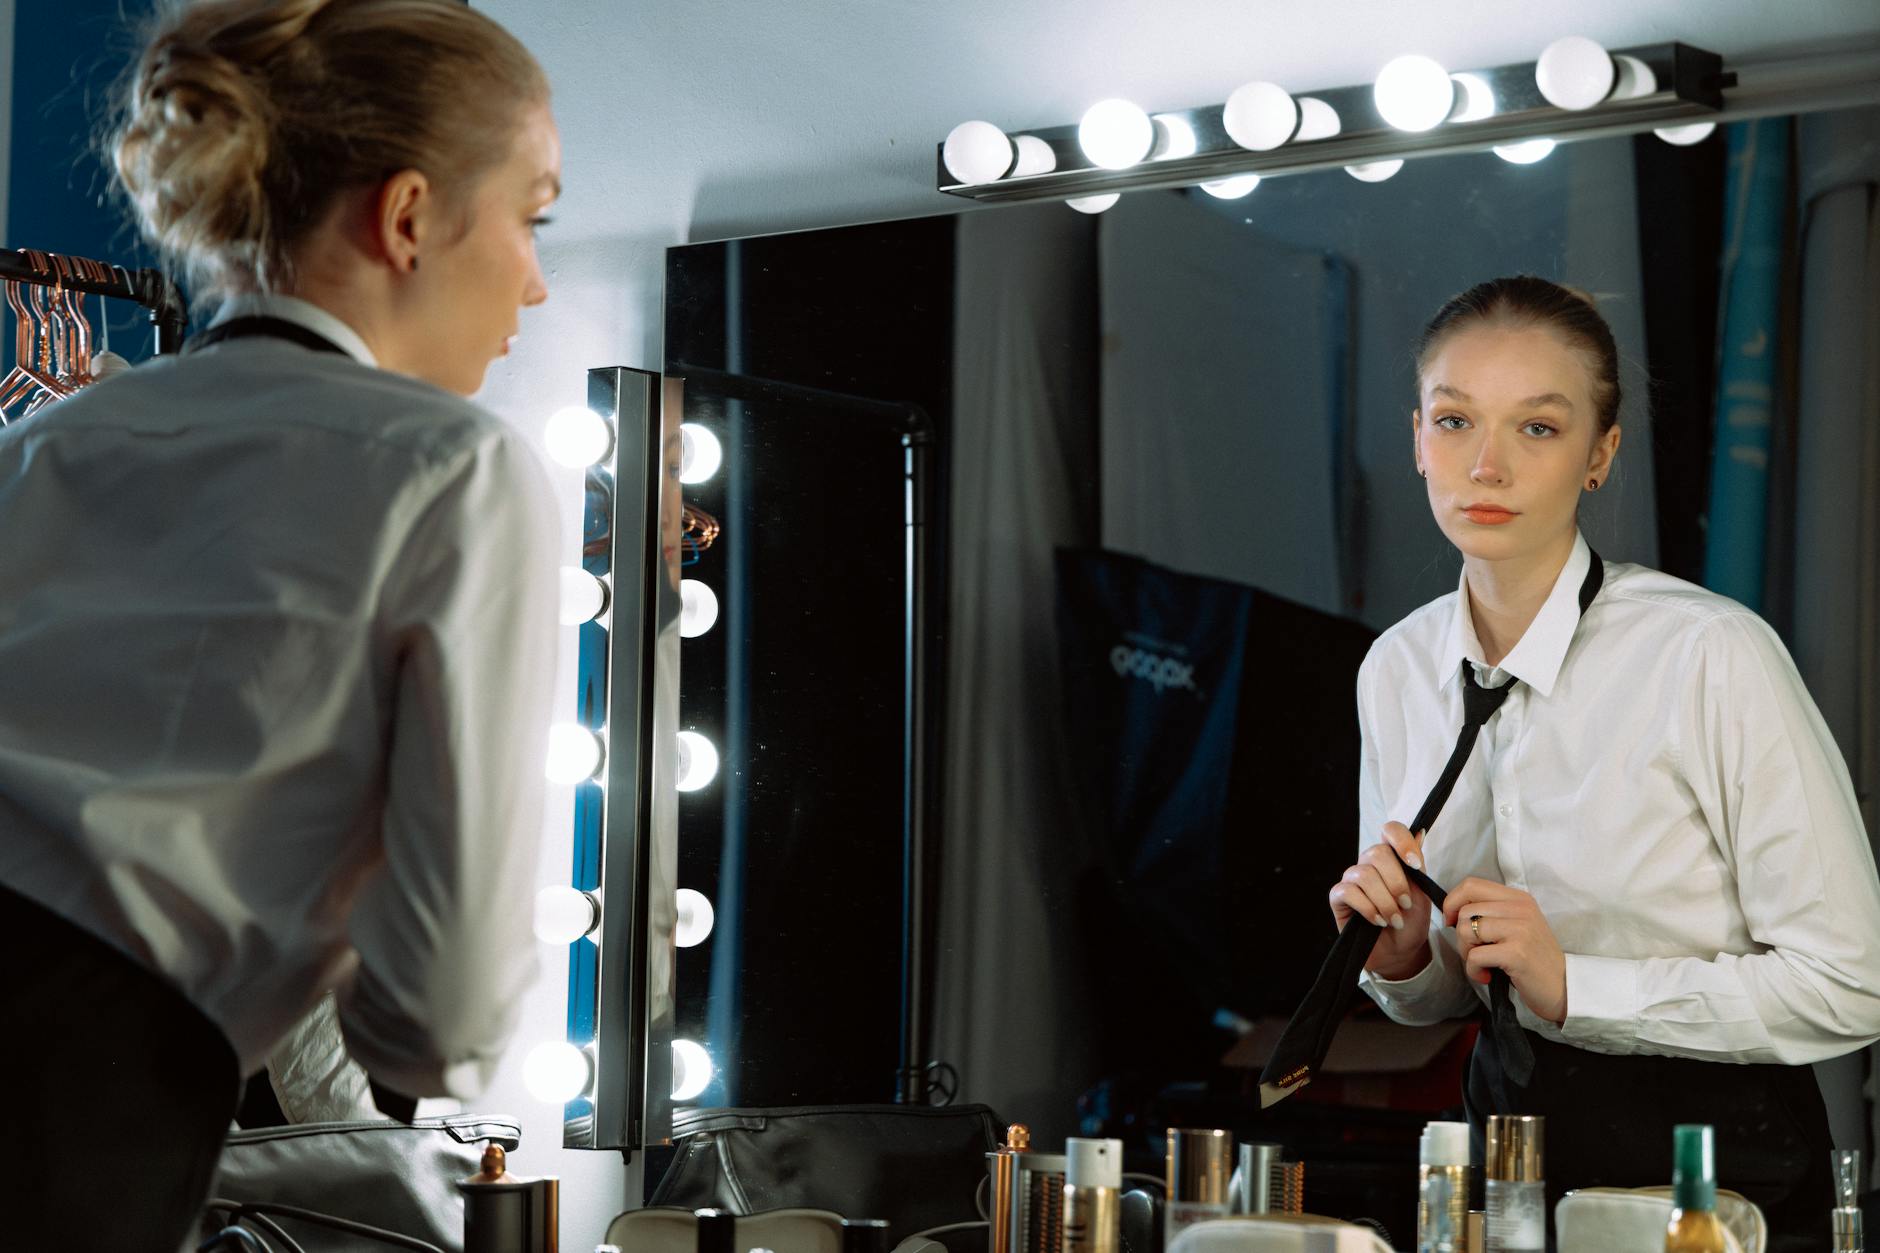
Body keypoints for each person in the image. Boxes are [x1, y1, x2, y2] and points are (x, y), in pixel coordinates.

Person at [0, 0, 563, 1244]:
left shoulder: (40, 447)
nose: (535, 278)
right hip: (59, 1122)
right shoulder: (452, 469)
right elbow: (440, 1019)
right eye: (533, 217)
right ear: (407, 216)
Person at [1327, 276, 1880, 1250]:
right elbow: (1451, 990)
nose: (1485, 464)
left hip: (1717, 1174)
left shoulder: (1707, 654)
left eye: (1537, 427)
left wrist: (1578, 985)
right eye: (1454, 420)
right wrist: (1404, 958)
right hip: (1505, 1159)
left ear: (1600, 453)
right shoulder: (1397, 669)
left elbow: (1854, 980)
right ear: (1416, 437)